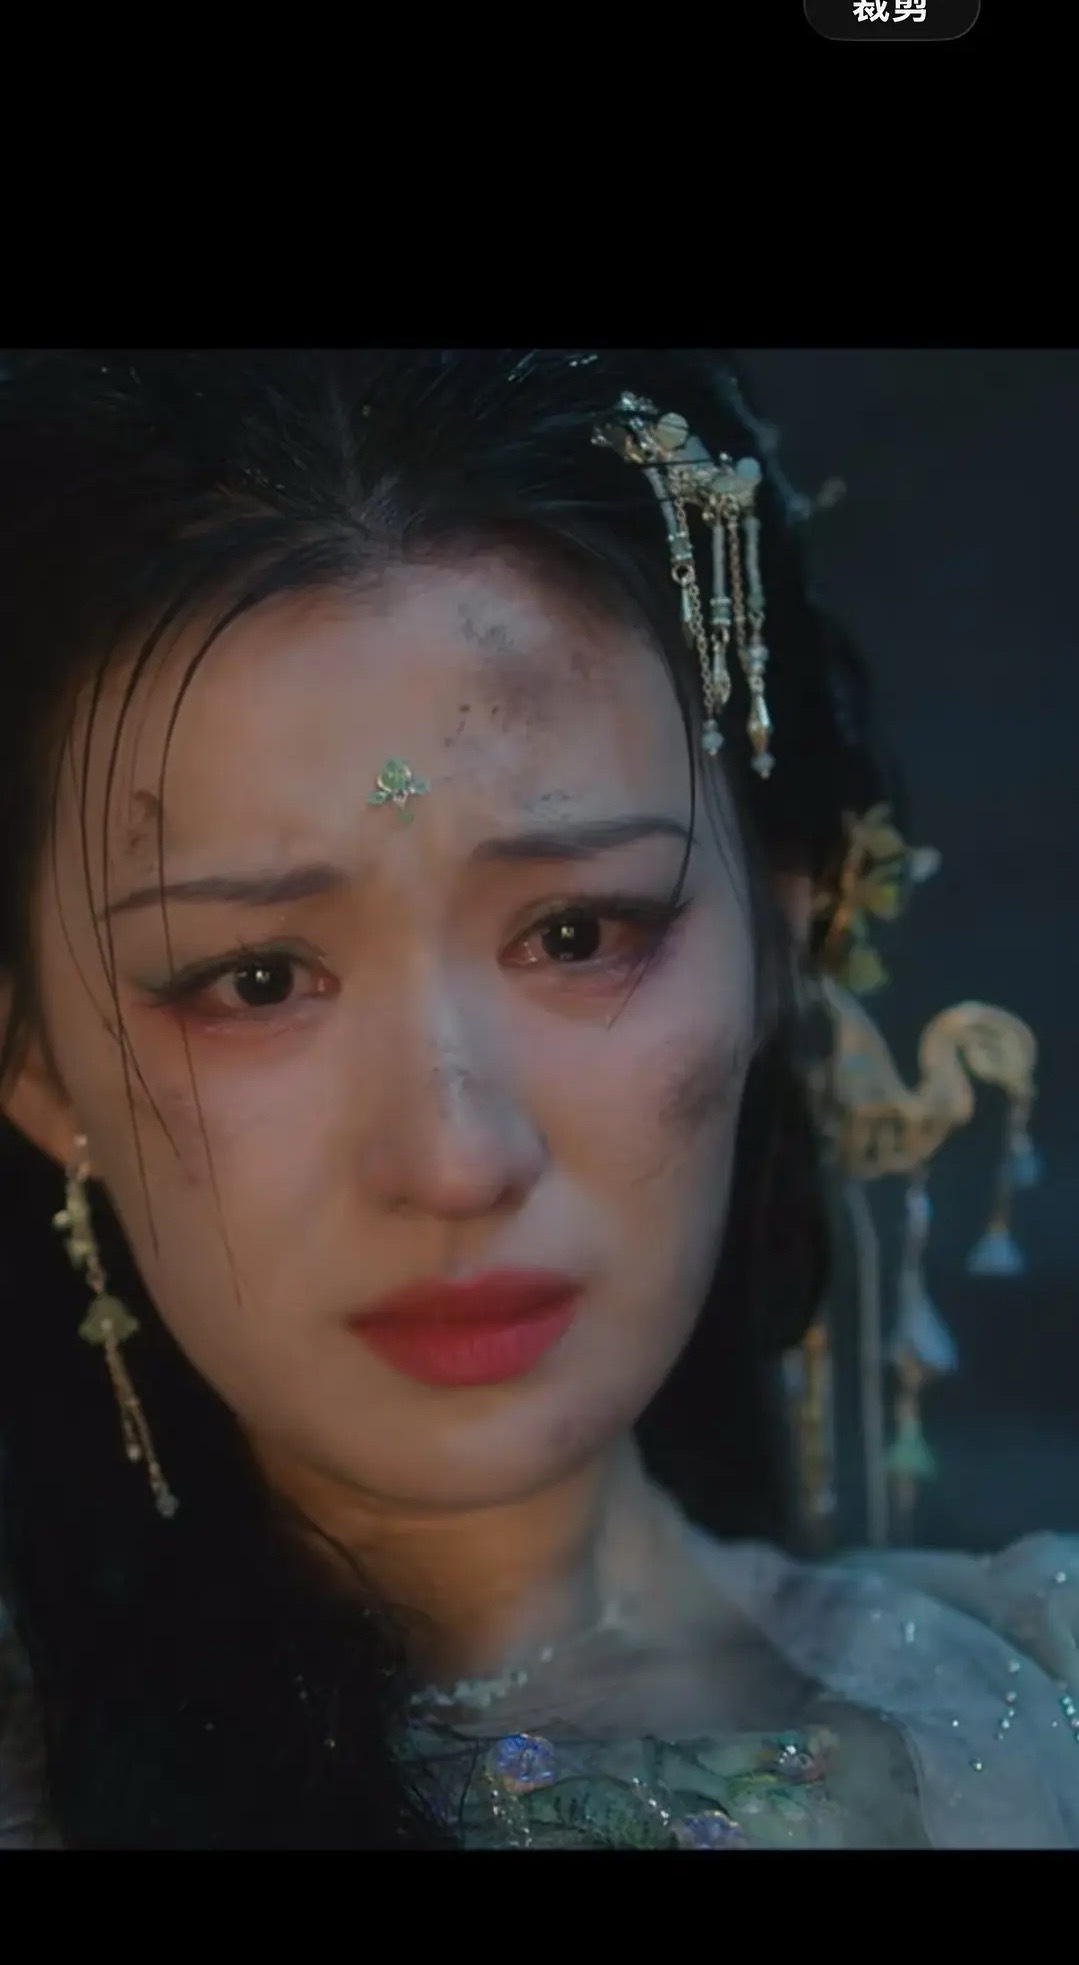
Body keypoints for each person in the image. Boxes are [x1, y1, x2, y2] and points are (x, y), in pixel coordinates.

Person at [0, 348, 1075, 1852]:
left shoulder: (1033, 1704)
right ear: (39, 1061)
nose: (457, 1156)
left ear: (785, 939)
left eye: (575, 934)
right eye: (257, 979)